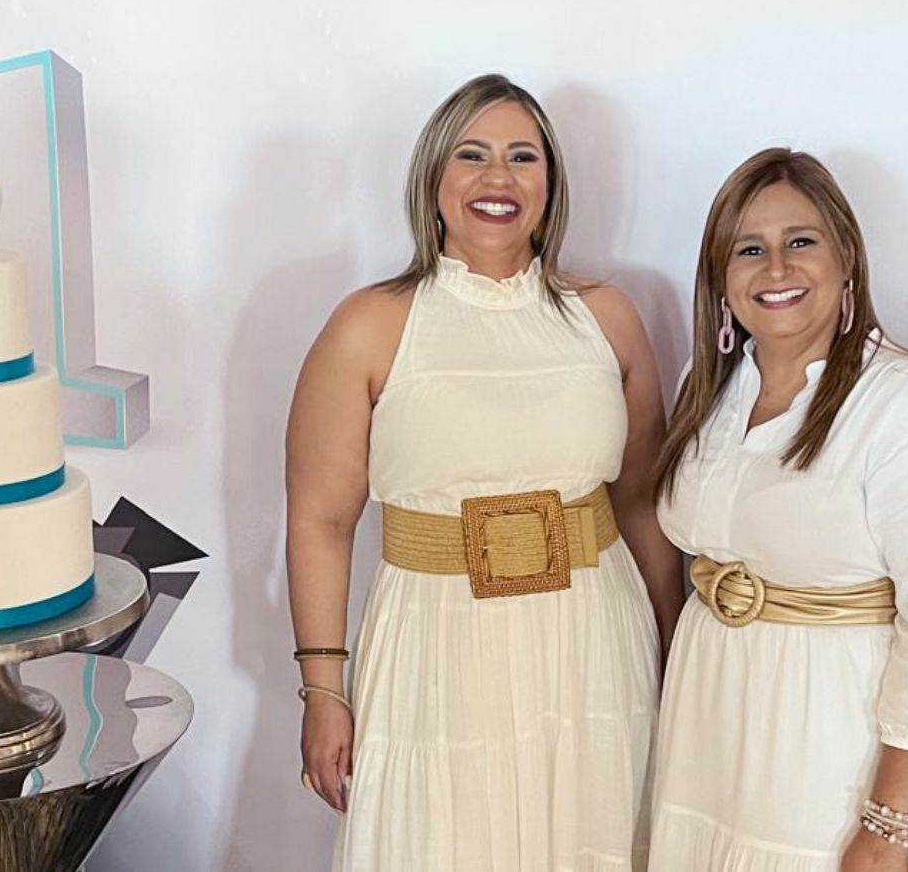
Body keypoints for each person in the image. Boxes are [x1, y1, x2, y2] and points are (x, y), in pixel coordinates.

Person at [284, 73, 683, 871]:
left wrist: (680, 657)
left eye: (521, 158)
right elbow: (321, 520)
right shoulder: (370, 324)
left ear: (550, 187)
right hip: (437, 645)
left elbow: (641, 502)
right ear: (434, 180)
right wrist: (324, 692)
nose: (497, 179)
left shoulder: (608, 318)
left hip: (594, 642)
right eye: (472, 155)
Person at [648, 147, 908, 871]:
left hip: (840, 752)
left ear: (847, 259)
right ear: (721, 279)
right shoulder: (708, 391)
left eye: (799, 242)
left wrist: (890, 825)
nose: (775, 270)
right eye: (750, 249)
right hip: (714, 741)